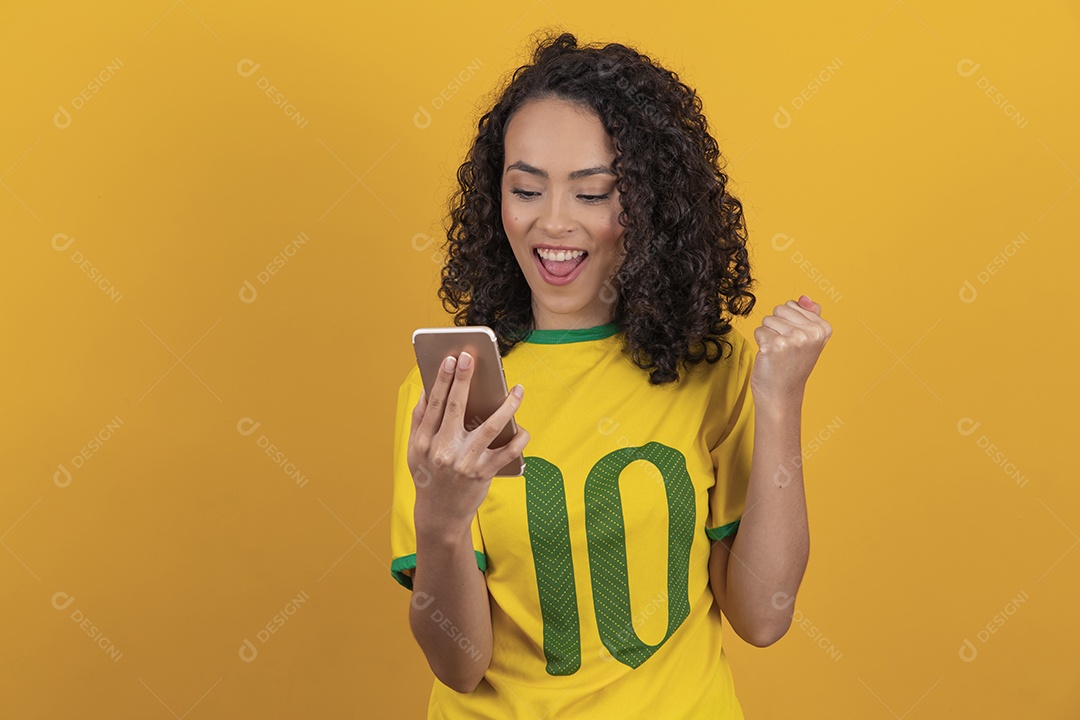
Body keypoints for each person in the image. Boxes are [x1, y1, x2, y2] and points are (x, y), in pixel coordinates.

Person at [390, 32, 832, 718]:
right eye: (526, 189)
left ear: (650, 207)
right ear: (495, 198)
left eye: (593, 194)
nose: (554, 223)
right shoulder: (449, 389)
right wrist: (442, 522)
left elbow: (764, 617)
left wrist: (777, 402)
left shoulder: (712, 370)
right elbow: (459, 664)